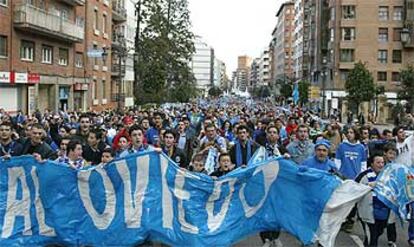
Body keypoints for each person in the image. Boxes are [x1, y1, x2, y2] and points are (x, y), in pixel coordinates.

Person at [356, 155, 396, 247]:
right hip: (368, 214)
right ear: (371, 164)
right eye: (378, 162)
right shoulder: (364, 175)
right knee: (372, 239)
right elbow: (354, 189)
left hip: (384, 214)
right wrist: (367, 186)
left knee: (376, 234)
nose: (381, 165)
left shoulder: (388, 176)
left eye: (382, 162)